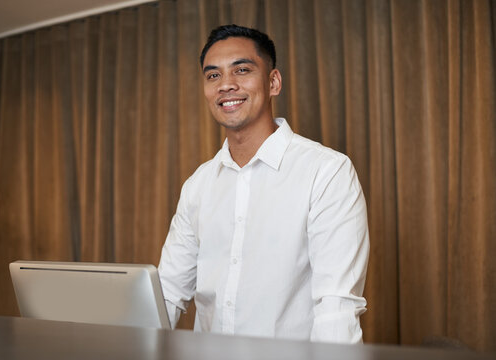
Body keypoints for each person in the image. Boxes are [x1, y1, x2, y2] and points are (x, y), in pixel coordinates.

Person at [158, 24, 369, 344]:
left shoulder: (326, 172)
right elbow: (168, 293)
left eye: (241, 70)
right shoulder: (198, 185)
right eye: (213, 75)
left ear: (273, 82)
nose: (226, 85)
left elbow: (336, 307)